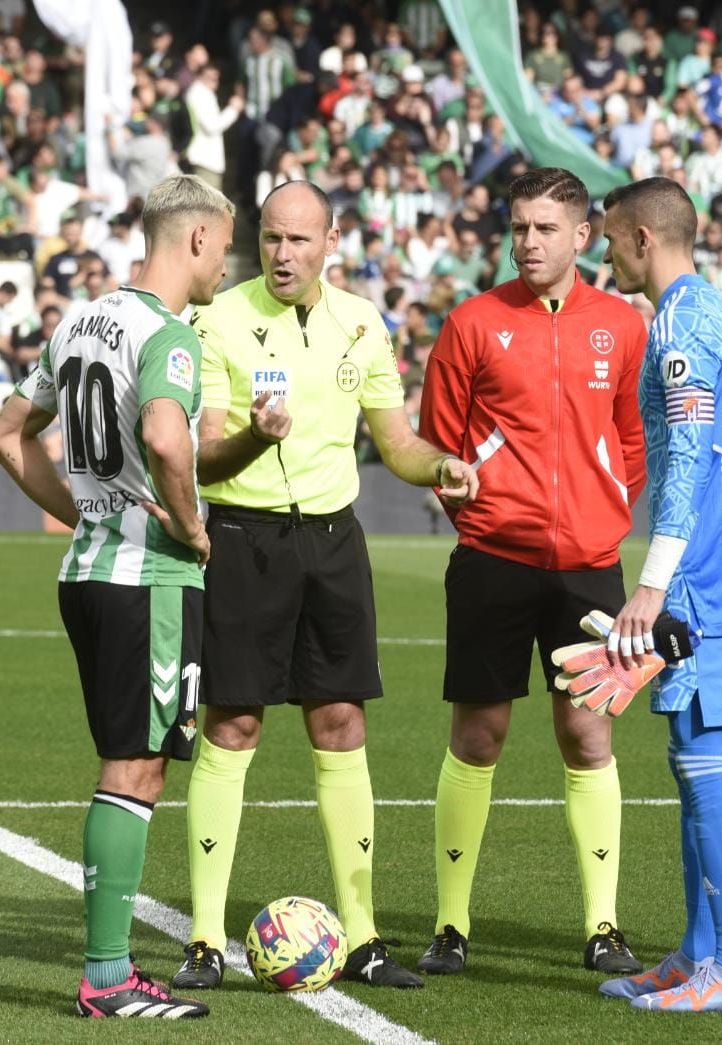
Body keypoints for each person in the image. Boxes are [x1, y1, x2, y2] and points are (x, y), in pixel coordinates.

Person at [172, 180, 476, 991]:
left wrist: (439, 466)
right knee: (232, 726)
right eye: (271, 238)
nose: (282, 254)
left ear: (331, 242)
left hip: (336, 541)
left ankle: (365, 933)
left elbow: (397, 441)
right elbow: (203, 456)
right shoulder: (216, 320)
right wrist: (250, 435)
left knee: (341, 723)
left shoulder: (362, 321)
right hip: (244, 539)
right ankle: (204, 936)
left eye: (300, 240)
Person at [0, 174, 233, 1019]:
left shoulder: (79, 320)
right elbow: (167, 435)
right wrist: (193, 527)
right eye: (225, 246)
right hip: (148, 579)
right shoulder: (171, 335)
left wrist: (80, 509)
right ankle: (106, 975)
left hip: (89, 571)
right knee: (135, 768)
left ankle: (109, 967)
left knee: (133, 761)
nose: (224, 266)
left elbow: (2, 431)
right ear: (196, 238)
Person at [414, 166, 649, 977]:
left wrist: (601, 508)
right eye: (518, 227)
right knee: (479, 734)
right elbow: (441, 442)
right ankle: (450, 924)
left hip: (590, 566)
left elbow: (633, 440)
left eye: (545, 228)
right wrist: (482, 515)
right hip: (491, 562)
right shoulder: (473, 322)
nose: (528, 242)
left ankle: (604, 923)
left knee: (588, 735)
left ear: (583, 236)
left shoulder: (620, 325)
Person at [597, 177, 722, 1014]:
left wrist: (652, 583)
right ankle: (698, 952)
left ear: (640, 236)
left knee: (708, 767)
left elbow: (696, 457)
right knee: (694, 760)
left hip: (703, 577)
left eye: (608, 240)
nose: (606, 257)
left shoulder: (676, 326)